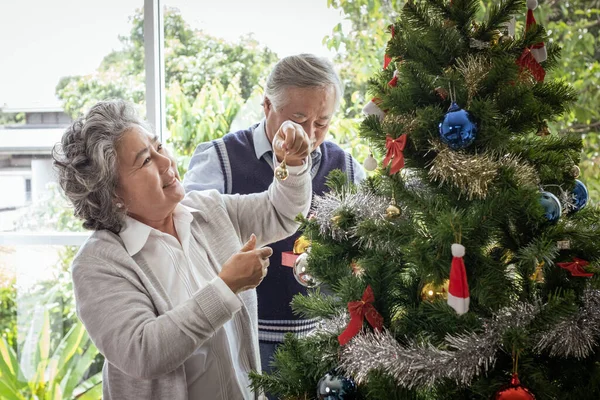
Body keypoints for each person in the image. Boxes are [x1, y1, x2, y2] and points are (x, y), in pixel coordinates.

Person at [52, 99, 312, 400]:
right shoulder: (97, 264)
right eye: (145, 161)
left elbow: (280, 213)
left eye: (159, 147)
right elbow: (143, 352)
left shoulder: (208, 209)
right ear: (113, 195)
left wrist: (292, 163)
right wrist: (226, 288)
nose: (167, 163)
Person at [183, 54, 366, 379]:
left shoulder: (346, 167)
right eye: (298, 119)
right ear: (267, 106)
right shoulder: (219, 160)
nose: (310, 135)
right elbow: (188, 240)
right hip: (241, 343)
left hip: (325, 344)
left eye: (322, 122)